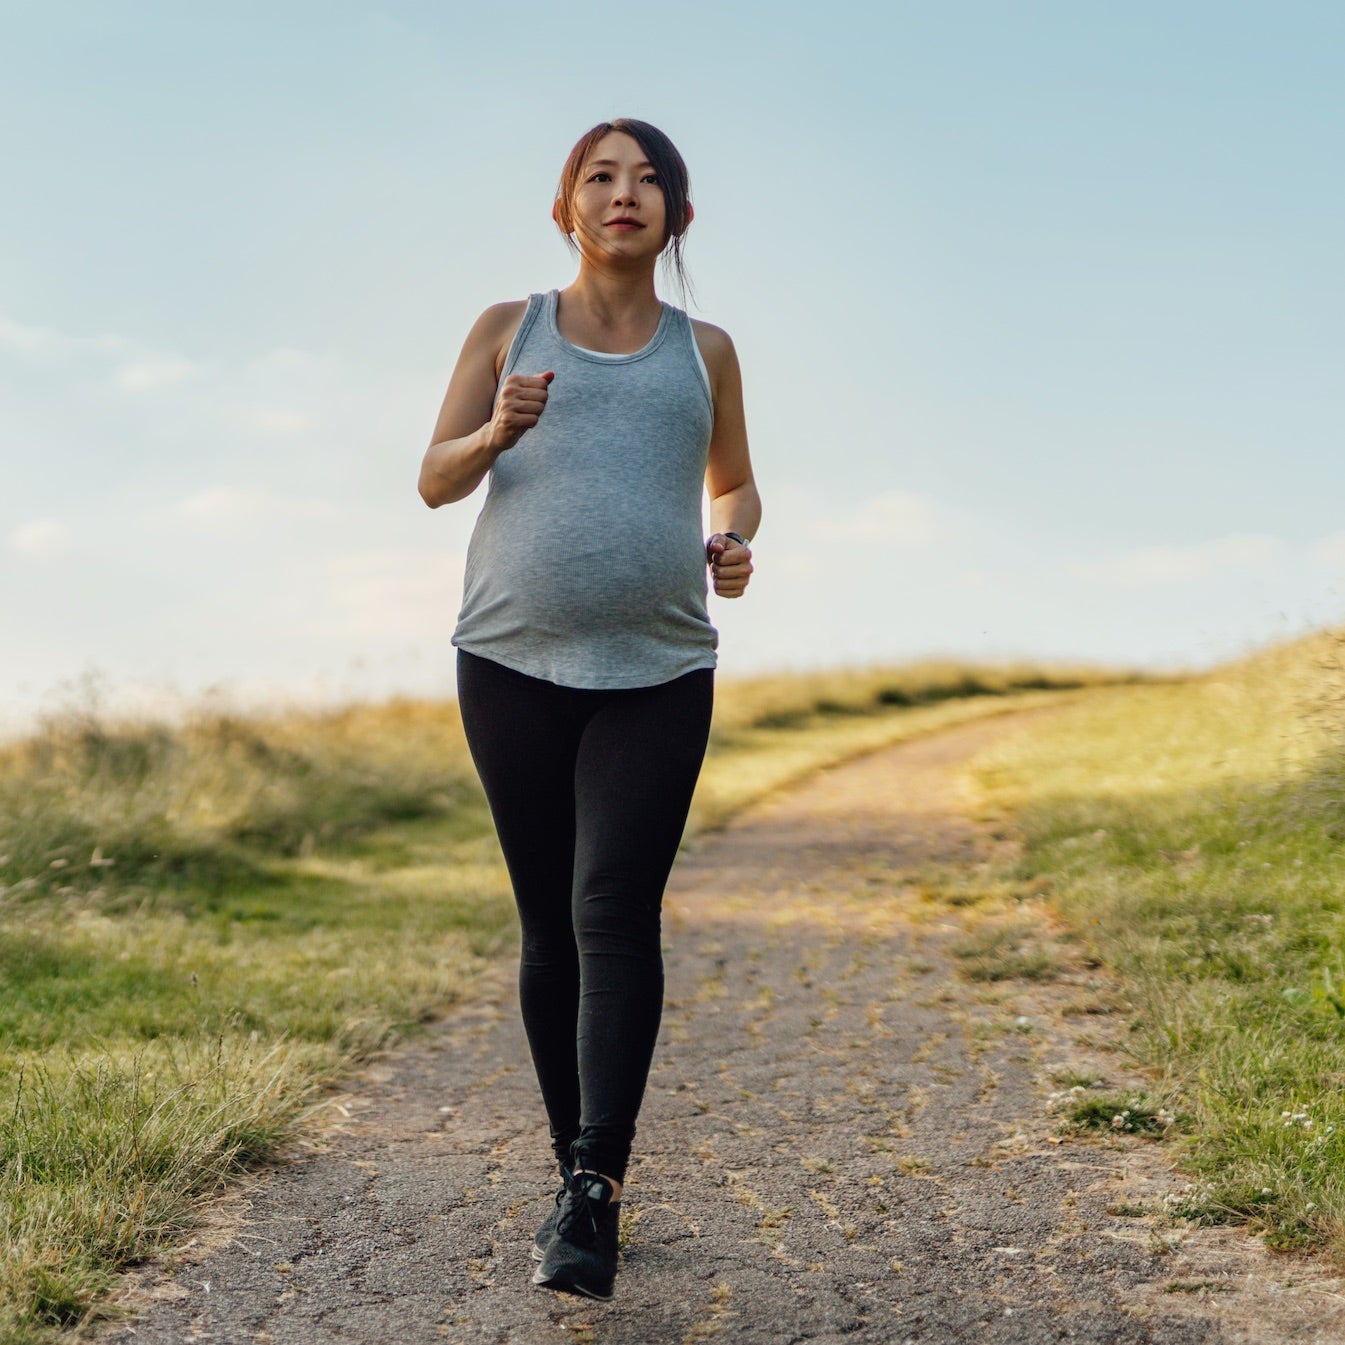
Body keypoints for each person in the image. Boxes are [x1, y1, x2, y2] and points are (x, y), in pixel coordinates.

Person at [417, 118, 761, 1301]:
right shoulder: (502, 328)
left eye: (648, 179)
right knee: (548, 922)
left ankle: (596, 1185)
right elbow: (432, 478)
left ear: (678, 214)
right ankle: (576, 1166)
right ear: (566, 206)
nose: (625, 194)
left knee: (614, 904)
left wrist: (732, 541)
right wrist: (495, 428)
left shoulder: (704, 349)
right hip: (508, 658)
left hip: (660, 666)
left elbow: (738, 480)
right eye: (600, 178)